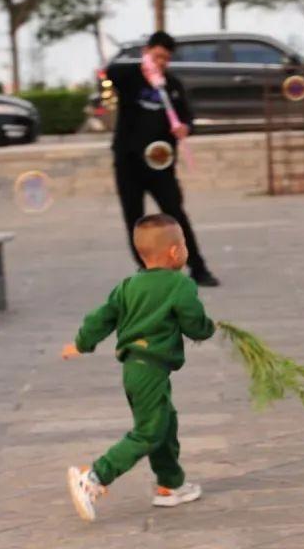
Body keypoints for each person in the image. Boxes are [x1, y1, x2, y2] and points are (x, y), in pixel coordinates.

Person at [62, 213, 216, 522]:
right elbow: (194, 323)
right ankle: (93, 477)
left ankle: (170, 485)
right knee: (148, 432)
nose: (185, 249)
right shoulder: (179, 284)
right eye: (184, 244)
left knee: (164, 424)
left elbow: (100, 318)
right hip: (151, 369)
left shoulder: (128, 285)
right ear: (175, 252)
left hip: (137, 368)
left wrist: (81, 343)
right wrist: (207, 328)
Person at [110, 30, 219, 287]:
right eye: (156, 57)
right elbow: (110, 71)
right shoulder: (130, 79)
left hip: (161, 163)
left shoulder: (172, 86)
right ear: (147, 52)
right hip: (128, 162)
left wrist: (185, 128)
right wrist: (143, 67)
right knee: (135, 219)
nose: (160, 63)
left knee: (175, 215)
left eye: (165, 59)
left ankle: (198, 268)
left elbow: (188, 118)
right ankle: (148, 272)